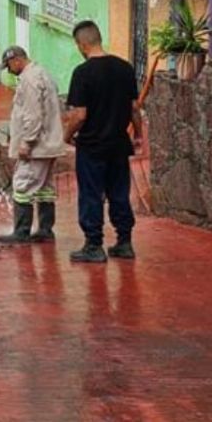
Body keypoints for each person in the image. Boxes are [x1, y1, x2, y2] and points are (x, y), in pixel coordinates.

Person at [64, 21, 143, 263]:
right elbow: (133, 108)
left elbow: (80, 115)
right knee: (119, 192)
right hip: (119, 144)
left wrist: (66, 135)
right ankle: (124, 242)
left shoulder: (82, 73)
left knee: (91, 194)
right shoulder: (125, 68)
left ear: (82, 44)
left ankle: (94, 244)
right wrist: (138, 134)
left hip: (91, 146)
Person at [0, 46, 66, 245]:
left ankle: (21, 232)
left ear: (16, 60)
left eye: (8, 66)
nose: (9, 71)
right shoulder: (43, 73)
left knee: (22, 185)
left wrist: (26, 142)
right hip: (49, 143)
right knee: (44, 186)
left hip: (37, 146)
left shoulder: (29, 80)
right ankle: (45, 229)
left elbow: (33, 115)